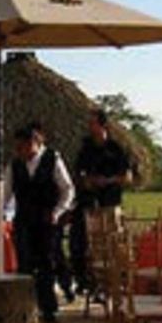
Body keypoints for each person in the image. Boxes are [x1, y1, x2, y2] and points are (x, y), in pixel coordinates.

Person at [5, 123, 74, 323]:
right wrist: (1, 214)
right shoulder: (15, 164)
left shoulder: (53, 159)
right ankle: (25, 309)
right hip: (24, 219)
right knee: (24, 264)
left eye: (22, 147)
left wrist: (57, 211)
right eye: (17, 147)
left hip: (46, 220)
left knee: (46, 263)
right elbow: (6, 192)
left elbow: (67, 189)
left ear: (34, 143)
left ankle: (48, 308)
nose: (19, 152)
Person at [70, 109, 132, 293]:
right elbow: (78, 173)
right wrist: (87, 181)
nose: (90, 127)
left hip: (110, 202)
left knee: (113, 243)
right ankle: (92, 282)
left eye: (93, 123)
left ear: (102, 125)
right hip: (90, 203)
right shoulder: (86, 148)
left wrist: (109, 180)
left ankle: (116, 280)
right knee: (90, 245)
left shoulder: (115, 148)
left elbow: (127, 176)